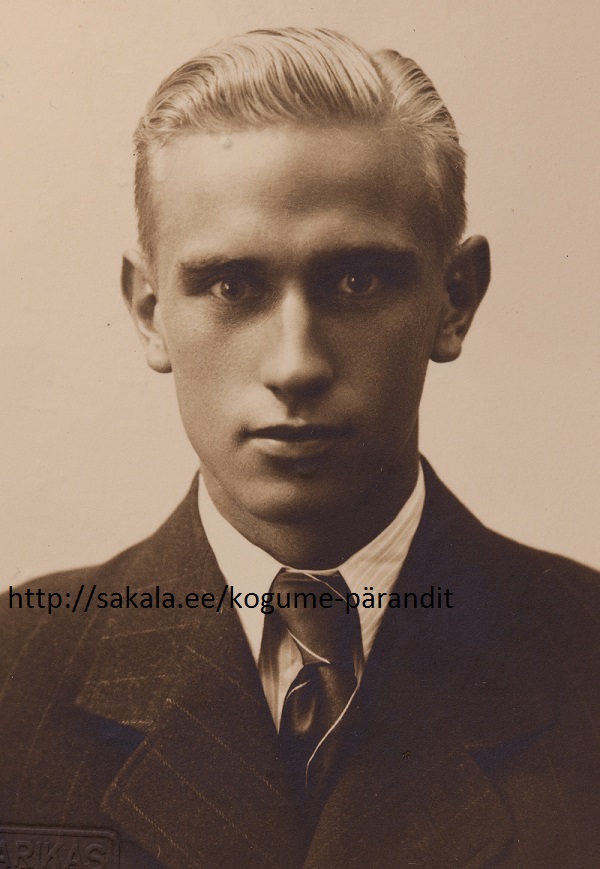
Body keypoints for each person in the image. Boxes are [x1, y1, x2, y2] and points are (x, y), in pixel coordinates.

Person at [0, 27, 598, 869]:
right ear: (148, 309)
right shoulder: (14, 675)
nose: (295, 364)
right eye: (231, 285)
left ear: (456, 298)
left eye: (357, 281)